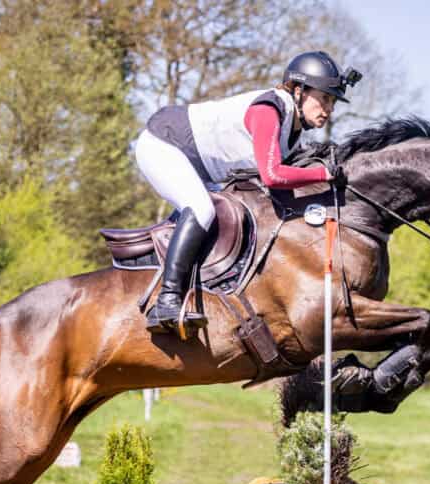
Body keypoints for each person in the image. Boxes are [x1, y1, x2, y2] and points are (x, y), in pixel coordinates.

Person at [135, 51, 362, 334]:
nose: (329, 109)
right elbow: (273, 175)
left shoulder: (292, 132)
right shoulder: (268, 111)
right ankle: (167, 300)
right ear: (299, 90)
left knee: (230, 215)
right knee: (202, 209)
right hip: (163, 145)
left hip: (200, 168)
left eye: (333, 102)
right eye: (324, 98)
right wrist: (322, 175)